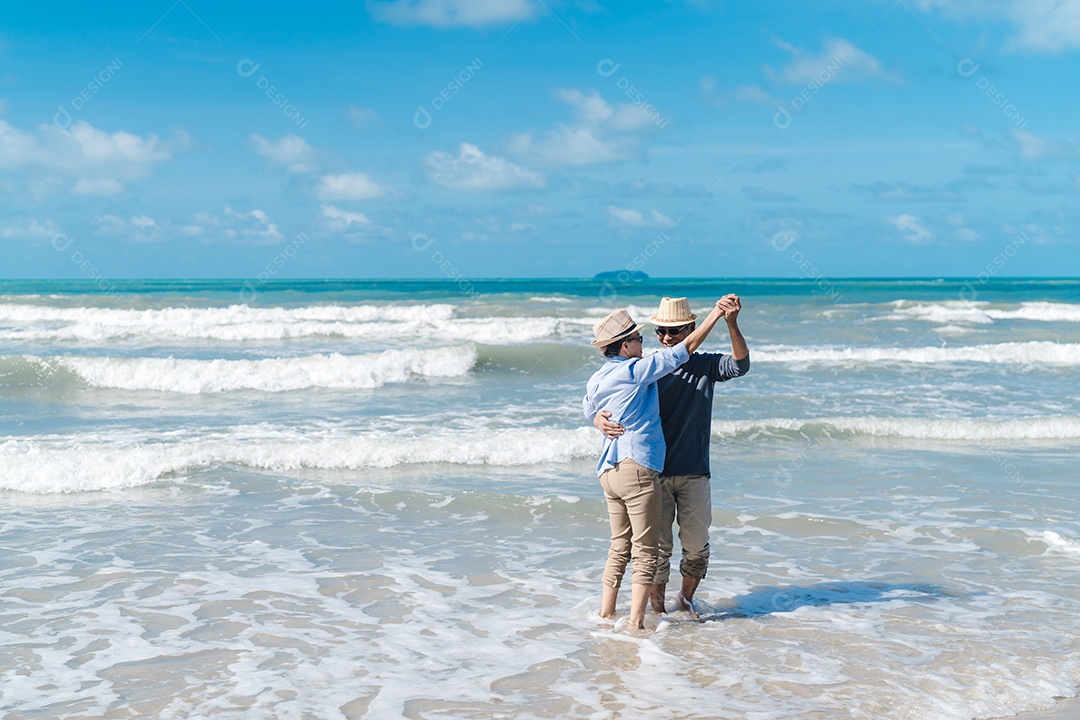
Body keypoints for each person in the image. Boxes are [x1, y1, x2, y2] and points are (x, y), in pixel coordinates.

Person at [594, 295, 749, 616]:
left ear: (690, 329)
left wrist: (730, 323)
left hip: (694, 469)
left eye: (675, 331)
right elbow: (602, 396)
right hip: (653, 472)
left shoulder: (704, 364)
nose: (666, 338)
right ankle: (658, 612)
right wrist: (597, 418)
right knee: (655, 549)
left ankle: (685, 602)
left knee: (695, 546)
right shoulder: (646, 368)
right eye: (660, 332)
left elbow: (740, 365)